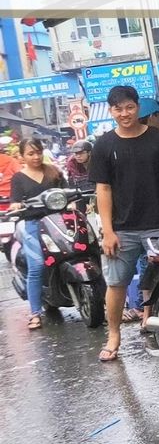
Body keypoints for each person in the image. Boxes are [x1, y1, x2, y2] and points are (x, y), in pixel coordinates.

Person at [89, 85, 159, 362]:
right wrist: (107, 230)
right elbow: (104, 190)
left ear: (138, 107)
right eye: (118, 109)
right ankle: (114, 335)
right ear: (111, 112)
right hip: (122, 230)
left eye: (129, 107)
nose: (124, 113)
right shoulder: (103, 145)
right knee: (116, 284)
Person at [10, 139, 65, 330]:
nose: (35, 157)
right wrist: (16, 205)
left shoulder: (54, 171)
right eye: (30, 154)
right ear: (22, 156)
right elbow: (15, 201)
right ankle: (35, 313)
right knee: (37, 267)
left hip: (59, 222)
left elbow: (66, 192)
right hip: (33, 224)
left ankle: (104, 304)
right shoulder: (18, 178)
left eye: (38, 152)